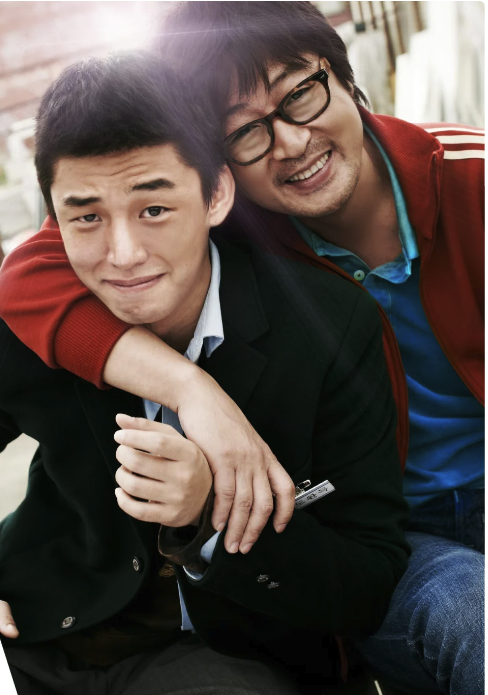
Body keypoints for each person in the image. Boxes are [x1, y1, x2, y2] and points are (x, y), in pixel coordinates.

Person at [0, 2, 483, 693]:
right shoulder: (199, 232)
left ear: (342, 76)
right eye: (245, 130)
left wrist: (207, 498)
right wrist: (190, 388)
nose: (290, 142)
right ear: (221, 169)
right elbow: (28, 270)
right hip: (393, 530)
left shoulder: (467, 182)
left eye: (300, 92)